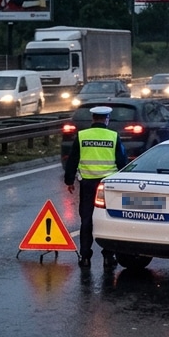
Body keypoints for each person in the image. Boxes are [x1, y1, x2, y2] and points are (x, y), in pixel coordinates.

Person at [64, 105, 129, 270]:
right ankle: (108, 256)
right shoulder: (113, 136)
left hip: (87, 184)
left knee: (86, 220)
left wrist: (69, 180)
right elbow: (121, 161)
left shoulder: (82, 136)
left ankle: (85, 257)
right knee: (108, 219)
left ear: (93, 119)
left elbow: (72, 160)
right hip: (108, 186)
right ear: (106, 119)